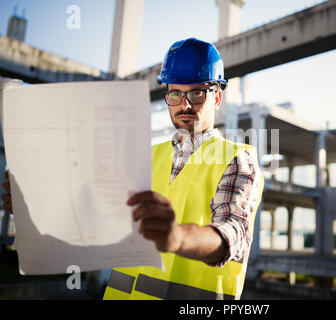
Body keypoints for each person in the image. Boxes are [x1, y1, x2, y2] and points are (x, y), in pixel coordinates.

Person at [2, 37, 264, 300]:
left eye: (197, 92)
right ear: (167, 97)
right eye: (176, 93)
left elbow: (235, 234)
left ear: (217, 97)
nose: (184, 104)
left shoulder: (236, 158)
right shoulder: (145, 156)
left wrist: (177, 237)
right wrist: (36, 209)